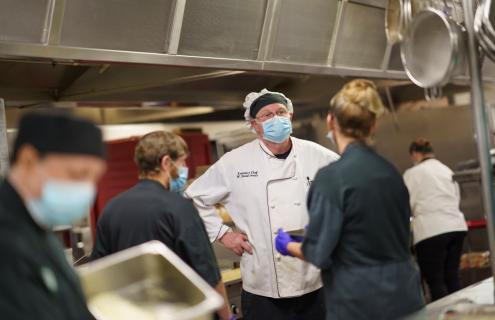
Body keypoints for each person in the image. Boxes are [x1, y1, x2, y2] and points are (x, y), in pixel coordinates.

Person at [275, 79, 425, 320]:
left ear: (331, 122)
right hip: (405, 292)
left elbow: (319, 253)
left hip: (360, 300)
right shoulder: (391, 171)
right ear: (373, 125)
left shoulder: (332, 178)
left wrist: (288, 245)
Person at [185, 89, 339, 320]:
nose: (276, 118)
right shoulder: (235, 162)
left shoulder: (317, 155)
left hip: (315, 282)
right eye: (266, 115)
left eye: (280, 112)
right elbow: (193, 198)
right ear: (253, 124)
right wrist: (223, 234)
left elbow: (350, 193)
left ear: (290, 116)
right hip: (263, 287)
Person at [90, 131, 233, 320]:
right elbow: (208, 273)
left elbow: (99, 273)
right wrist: (226, 317)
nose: (184, 169)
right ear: (166, 163)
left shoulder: (111, 208)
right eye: (182, 162)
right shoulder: (179, 207)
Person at [0, 112, 107, 319]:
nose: (87, 190)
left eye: (94, 179)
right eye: (78, 175)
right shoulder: (6, 242)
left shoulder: (39, 227)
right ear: (28, 160)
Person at [404, 138, 468, 301]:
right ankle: (460, 316)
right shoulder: (445, 169)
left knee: (435, 281)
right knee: (452, 278)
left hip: (431, 231)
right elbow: (456, 197)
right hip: (456, 227)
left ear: (415, 154)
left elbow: (406, 204)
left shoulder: (412, 173)